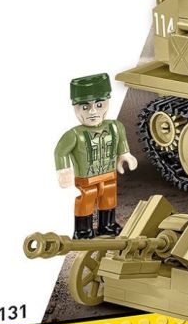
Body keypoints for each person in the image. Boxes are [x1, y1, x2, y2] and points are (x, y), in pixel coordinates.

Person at [54, 73, 137, 238]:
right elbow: (60, 151)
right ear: (75, 107)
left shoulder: (115, 127)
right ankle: (83, 230)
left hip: (109, 174)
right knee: (87, 199)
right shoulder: (74, 135)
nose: (93, 111)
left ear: (107, 102)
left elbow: (121, 141)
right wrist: (64, 171)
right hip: (87, 178)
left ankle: (107, 225)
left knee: (109, 198)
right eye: (85, 107)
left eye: (99, 105)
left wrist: (125, 154)